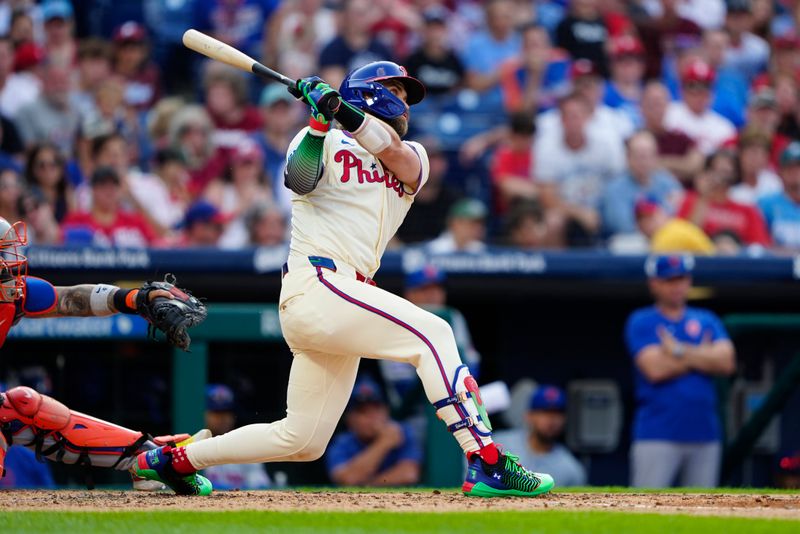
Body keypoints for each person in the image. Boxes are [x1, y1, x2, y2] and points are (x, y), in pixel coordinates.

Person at [132, 60, 554, 498]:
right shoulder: (323, 139)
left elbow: (395, 156)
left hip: (343, 298)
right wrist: (317, 123)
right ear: (370, 92)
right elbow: (297, 179)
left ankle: (173, 461)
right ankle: (485, 459)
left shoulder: (414, 155)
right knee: (434, 333)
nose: (405, 102)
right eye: (398, 90)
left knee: (301, 440)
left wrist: (342, 112)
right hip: (318, 283)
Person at [0, 217, 210, 492]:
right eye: (3, 259)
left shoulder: (12, 296)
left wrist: (135, 298)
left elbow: (72, 298)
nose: (10, 267)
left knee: (21, 407)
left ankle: (145, 458)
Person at [625, 254, 736, 487]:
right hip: (657, 433)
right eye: (669, 280)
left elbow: (726, 362)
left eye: (682, 279)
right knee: (646, 509)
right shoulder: (642, 320)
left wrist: (677, 350)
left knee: (703, 512)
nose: (677, 286)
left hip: (705, 433)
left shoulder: (706, 319)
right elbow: (655, 368)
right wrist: (702, 354)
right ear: (654, 283)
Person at [534, 92, 626, 246]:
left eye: (577, 116)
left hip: (603, 206)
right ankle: (557, 268)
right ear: (561, 120)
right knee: (553, 221)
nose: (573, 121)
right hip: (567, 210)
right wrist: (579, 213)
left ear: (588, 117)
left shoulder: (606, 144)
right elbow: (547, 197)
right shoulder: (547, 148)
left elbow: (619, 183)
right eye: (569, 116)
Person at [326, 376, 422, 487]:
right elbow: (347, 479)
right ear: (350, 419)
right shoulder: (342, 442)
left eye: (376, 409)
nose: (371, 417)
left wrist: (368, 485)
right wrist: (383, 444)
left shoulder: (401, 431)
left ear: (386, 411)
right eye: (363, 412)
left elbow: (408, 474)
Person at [493, 385, 586, 487]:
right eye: (544, 412)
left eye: (557, 413)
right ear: (529, 416)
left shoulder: (571, 470)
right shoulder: (499, 443)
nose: (552, 419)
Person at [677, 151, 771, 248]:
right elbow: (685, 236)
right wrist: (703, 197)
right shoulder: (691, 201)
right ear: (707, 172)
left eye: (727, 172)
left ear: (735, 175)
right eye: (717, 170)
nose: (721, 176)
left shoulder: (748, 210)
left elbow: (759, 247)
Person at [602, 131, 683, 236]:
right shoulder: (614, 189)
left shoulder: (668, 184)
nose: (644, 162)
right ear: (628, 158)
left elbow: (681, 214)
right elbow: (622, 225)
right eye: (639, 156)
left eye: (648, 156)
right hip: (631, 242)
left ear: (656, 157)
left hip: (666, 239)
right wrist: (652, 224)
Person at [61, 166, 157, 248]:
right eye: (103, 186)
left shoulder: (135, 221)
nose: (109, 191)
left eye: (113, 186)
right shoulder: (76, 220)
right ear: (93, 190)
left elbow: (155, 247)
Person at [201, 385, 271, 491]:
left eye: (227, 412)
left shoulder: (247, 447)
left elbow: (261, 485)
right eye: (216, 413)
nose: (223, 418)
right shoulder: (192, 446)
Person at [663, 59, 736, 156]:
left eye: (705, 88)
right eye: (692, 87)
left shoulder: (724, 127)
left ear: (712, 93)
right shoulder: (668, 113)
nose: (699, 95)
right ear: (682, 90)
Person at [318, 0, 393, 90]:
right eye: (358, 13)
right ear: (346, 16)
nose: (363, 17)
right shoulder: (332, 50)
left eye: (366, 12)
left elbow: (393, 81)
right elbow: (337, 87)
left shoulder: (382, 48)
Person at [758, 141, 800, 251]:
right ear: (780, 172)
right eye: (790, 167)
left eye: (799, 167)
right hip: (777, 266)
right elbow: (759, 245)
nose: (795, 172)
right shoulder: (765, 204)